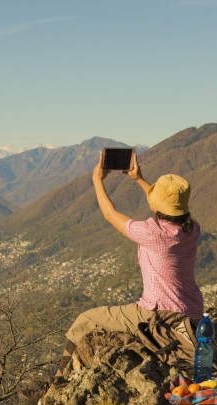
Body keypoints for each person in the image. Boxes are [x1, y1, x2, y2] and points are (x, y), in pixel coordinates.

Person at [49, 149, 204, 385]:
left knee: (85, 320)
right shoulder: (191, 229)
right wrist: (140, 180)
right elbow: (162, 207)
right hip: (191, 313)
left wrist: (97, 180)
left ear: (156, 206)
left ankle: (57, 381)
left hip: (158, 315)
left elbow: (110, 215)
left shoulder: (153, 233)